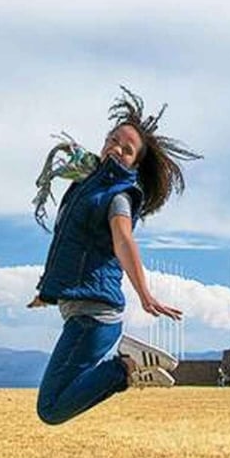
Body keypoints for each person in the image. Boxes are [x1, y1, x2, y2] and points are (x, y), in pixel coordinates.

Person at [28, 88, 199, 424]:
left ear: (135, 163)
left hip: (94, 318)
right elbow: (72, 248)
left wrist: (145, 294)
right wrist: (47, 293)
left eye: (127, 149)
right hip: (83, 314)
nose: (116, 149)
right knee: (56, 401)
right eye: (113, 140)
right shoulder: (86, 187)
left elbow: (123, 240)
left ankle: (125, 367)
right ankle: (128, 369)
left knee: (50, 408)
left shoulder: (118, 196)